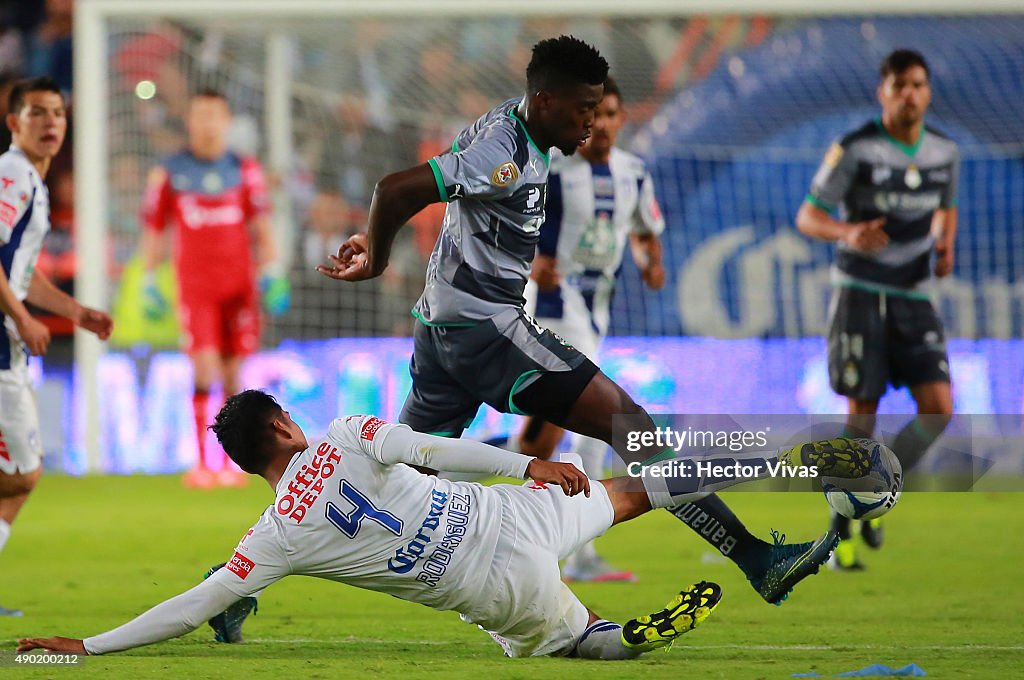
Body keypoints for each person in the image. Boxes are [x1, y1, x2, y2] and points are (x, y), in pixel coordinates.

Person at [316, 34, 836, 604]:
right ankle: (756, 557)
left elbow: (435, 197)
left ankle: (258, 566)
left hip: (440, 334)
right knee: (634, 428)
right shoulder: (506, 155)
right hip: (487, 331)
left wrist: (373, 233)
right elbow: (395, 187)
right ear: (545, 102)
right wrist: (379, 259)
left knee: (397, 484)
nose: (591, 122)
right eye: (584, 109)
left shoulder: (502, 126)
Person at [16, 390, 875, 658]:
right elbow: (433, 445)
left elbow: (192, 604)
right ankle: (802, 462)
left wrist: (89, 647)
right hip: (515, 508)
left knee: (569, 639)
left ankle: (616, 640)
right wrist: (528, 463)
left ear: (248, 464)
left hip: (489, 585)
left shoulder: (272, 535)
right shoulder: (349, 434)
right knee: (646, 486)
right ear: (284, 423)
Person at [795, 49, 959, 571]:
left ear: (927, 92)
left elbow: (947, 205)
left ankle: (878, 491)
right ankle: (840, 532)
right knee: (861, 418)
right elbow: (808, 216)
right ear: (882, 92)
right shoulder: (856, 149)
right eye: (899, 85)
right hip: (861, 293)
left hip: (915, 296)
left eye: (917, 85)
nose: (909, 94)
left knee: (939, 409)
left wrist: (946, 243)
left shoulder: (943, 152)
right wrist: (848, 232)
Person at [519, 76, 665, 583]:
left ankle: (462, 478)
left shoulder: (634, 173)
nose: (600, 124)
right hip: (555, 307)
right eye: (594, 114)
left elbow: (646, 230)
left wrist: (650, 262)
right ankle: (579, 554)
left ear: (621, 119)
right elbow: (525, 224)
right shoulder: (557, 171)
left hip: (597, 308)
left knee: (541, 439)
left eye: (609, 115)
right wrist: (534, 260)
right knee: (592, 424)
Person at [0, 76, 113, 615]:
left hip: (8, 338)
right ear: (13, 122)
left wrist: (74, 311)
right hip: (1, 342)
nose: (50, 123)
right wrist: (21, 317)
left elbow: (19, 273)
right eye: (37, 113)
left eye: (58, 114)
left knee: (18, 482)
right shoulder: (13, 173)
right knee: (22, 474)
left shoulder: (34, 184)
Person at [140, 88, 290, 489]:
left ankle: (230, 464)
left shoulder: (246, 171)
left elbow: (262, 226)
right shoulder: (169, 173)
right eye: (200, 115)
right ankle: (203, 463)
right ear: (189, 121)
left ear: (226, 121)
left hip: (239, 288)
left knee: (234, 375)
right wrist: (149, 280)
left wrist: (273, 271)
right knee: (204, 369)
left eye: (215, 116)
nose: (207, 124)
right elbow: (154, 231)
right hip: (196, 290)